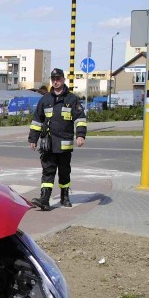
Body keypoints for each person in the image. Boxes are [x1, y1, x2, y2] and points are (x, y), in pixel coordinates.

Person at [28, 68, 87, 211]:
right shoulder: (45, 99)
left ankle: (64, 196)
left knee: (64, 172)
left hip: (64, 143)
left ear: (63, 79)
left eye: (58, 79)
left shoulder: (72, 99)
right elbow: (37, 120)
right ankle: (45, 199)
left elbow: (80, 119)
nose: (55, 81)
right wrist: (33, 139)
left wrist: (80, 135)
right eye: (53, 79)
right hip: (48, 144)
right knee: (48, 171)